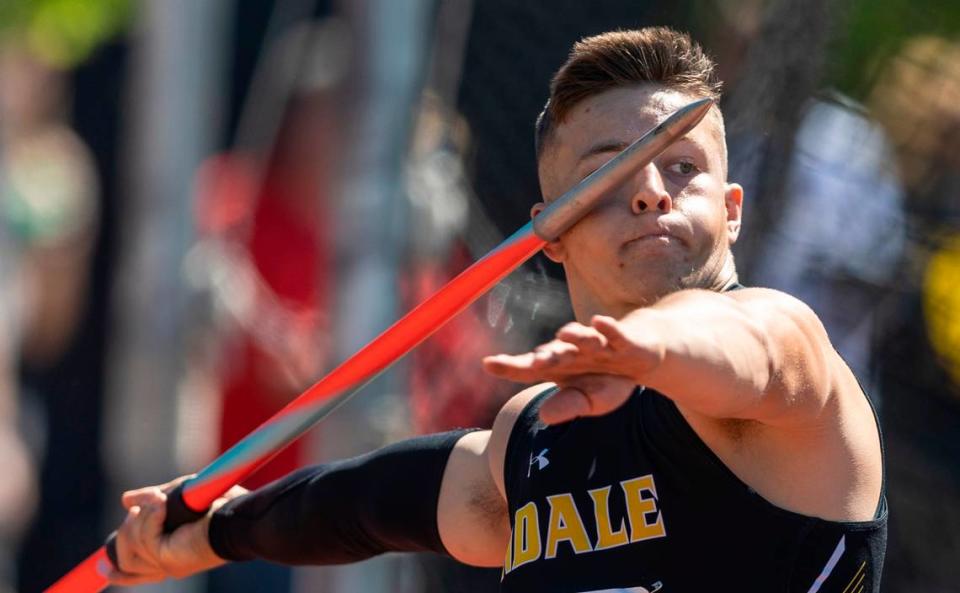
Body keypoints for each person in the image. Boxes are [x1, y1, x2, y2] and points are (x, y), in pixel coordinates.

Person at [108, 27, 887, 592]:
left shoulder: (790, 358)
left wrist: (638, 348)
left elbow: (734, 342)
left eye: (684, 169)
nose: (652, 189)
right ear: (549, 230)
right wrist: (216, 529)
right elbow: (369, 503)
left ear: (733, 209)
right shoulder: (532, 439)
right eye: (608, 174)